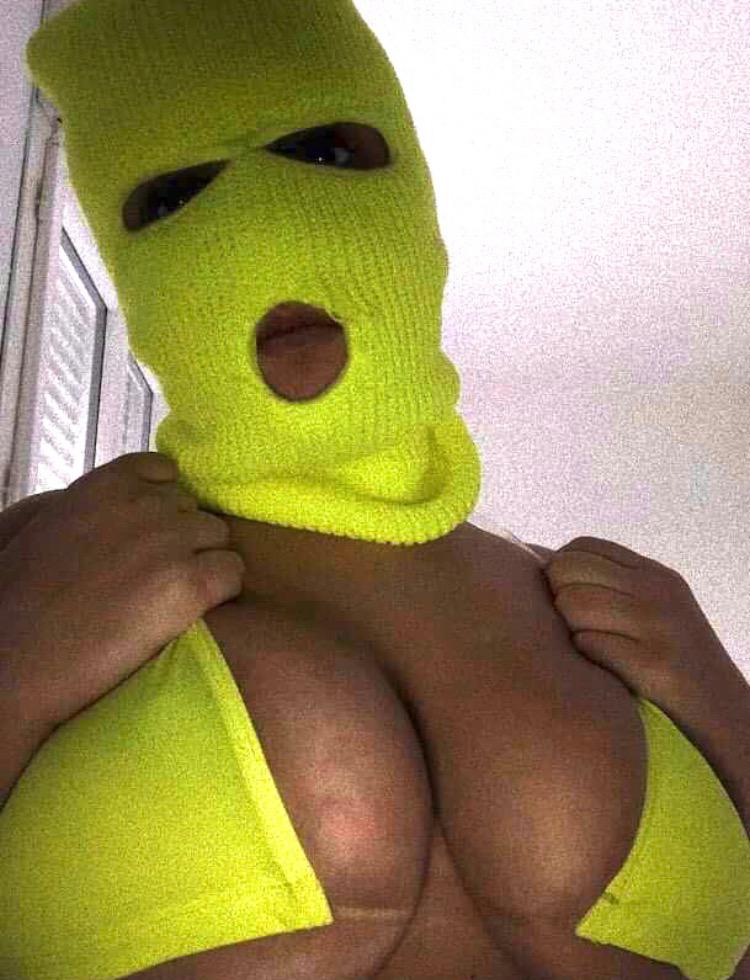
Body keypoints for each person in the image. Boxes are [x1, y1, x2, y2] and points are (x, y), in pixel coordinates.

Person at [1, 0, 748, 977]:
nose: (260, 219)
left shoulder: (625, 608)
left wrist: (731, 714)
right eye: (174, 196)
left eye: (326, 152)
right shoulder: (48, 562)